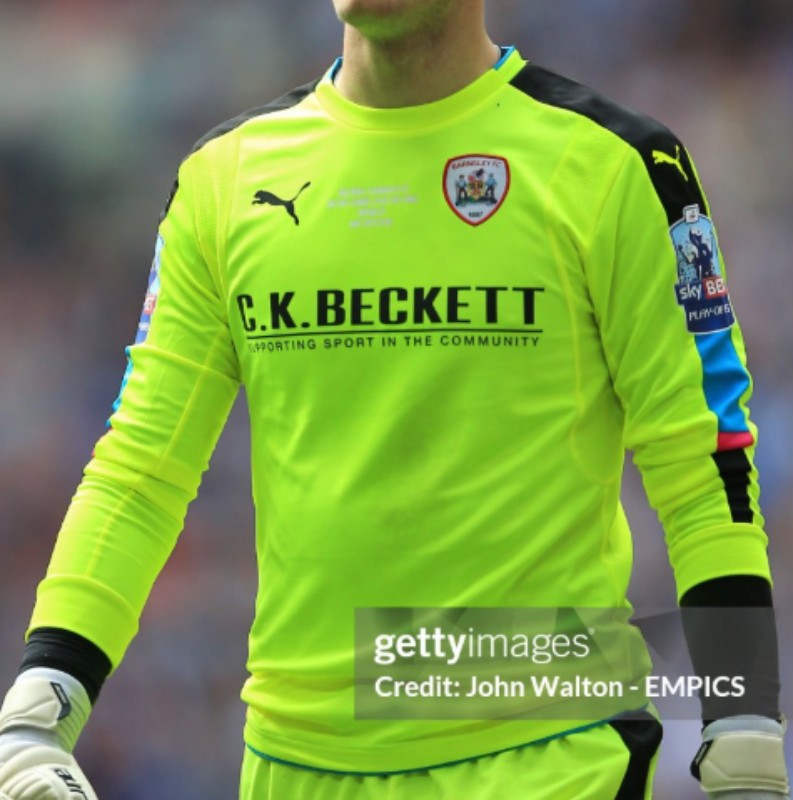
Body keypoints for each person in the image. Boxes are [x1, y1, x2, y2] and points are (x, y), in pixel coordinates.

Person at [0, 1, 788, 797]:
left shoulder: (617, 164)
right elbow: (141, 470)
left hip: (549, 755)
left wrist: (745, 720)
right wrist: (40, 707)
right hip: (293, 764)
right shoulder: (224, 178)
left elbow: (703, 462)